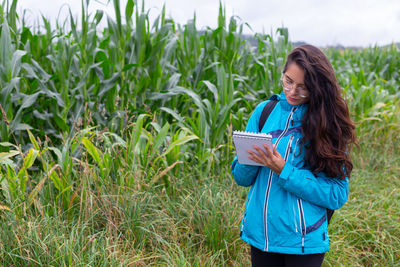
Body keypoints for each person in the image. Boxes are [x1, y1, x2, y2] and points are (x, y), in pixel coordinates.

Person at [231, 44, 356, 267]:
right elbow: (241, 178)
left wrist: (284, 171)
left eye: (303, 87)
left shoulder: (328, 125)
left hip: (303, 243)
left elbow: (337, 194)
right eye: (288, 81)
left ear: (317, 88)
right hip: (261, 238)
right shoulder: (264, 112)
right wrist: (252, 158)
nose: (292, 91)